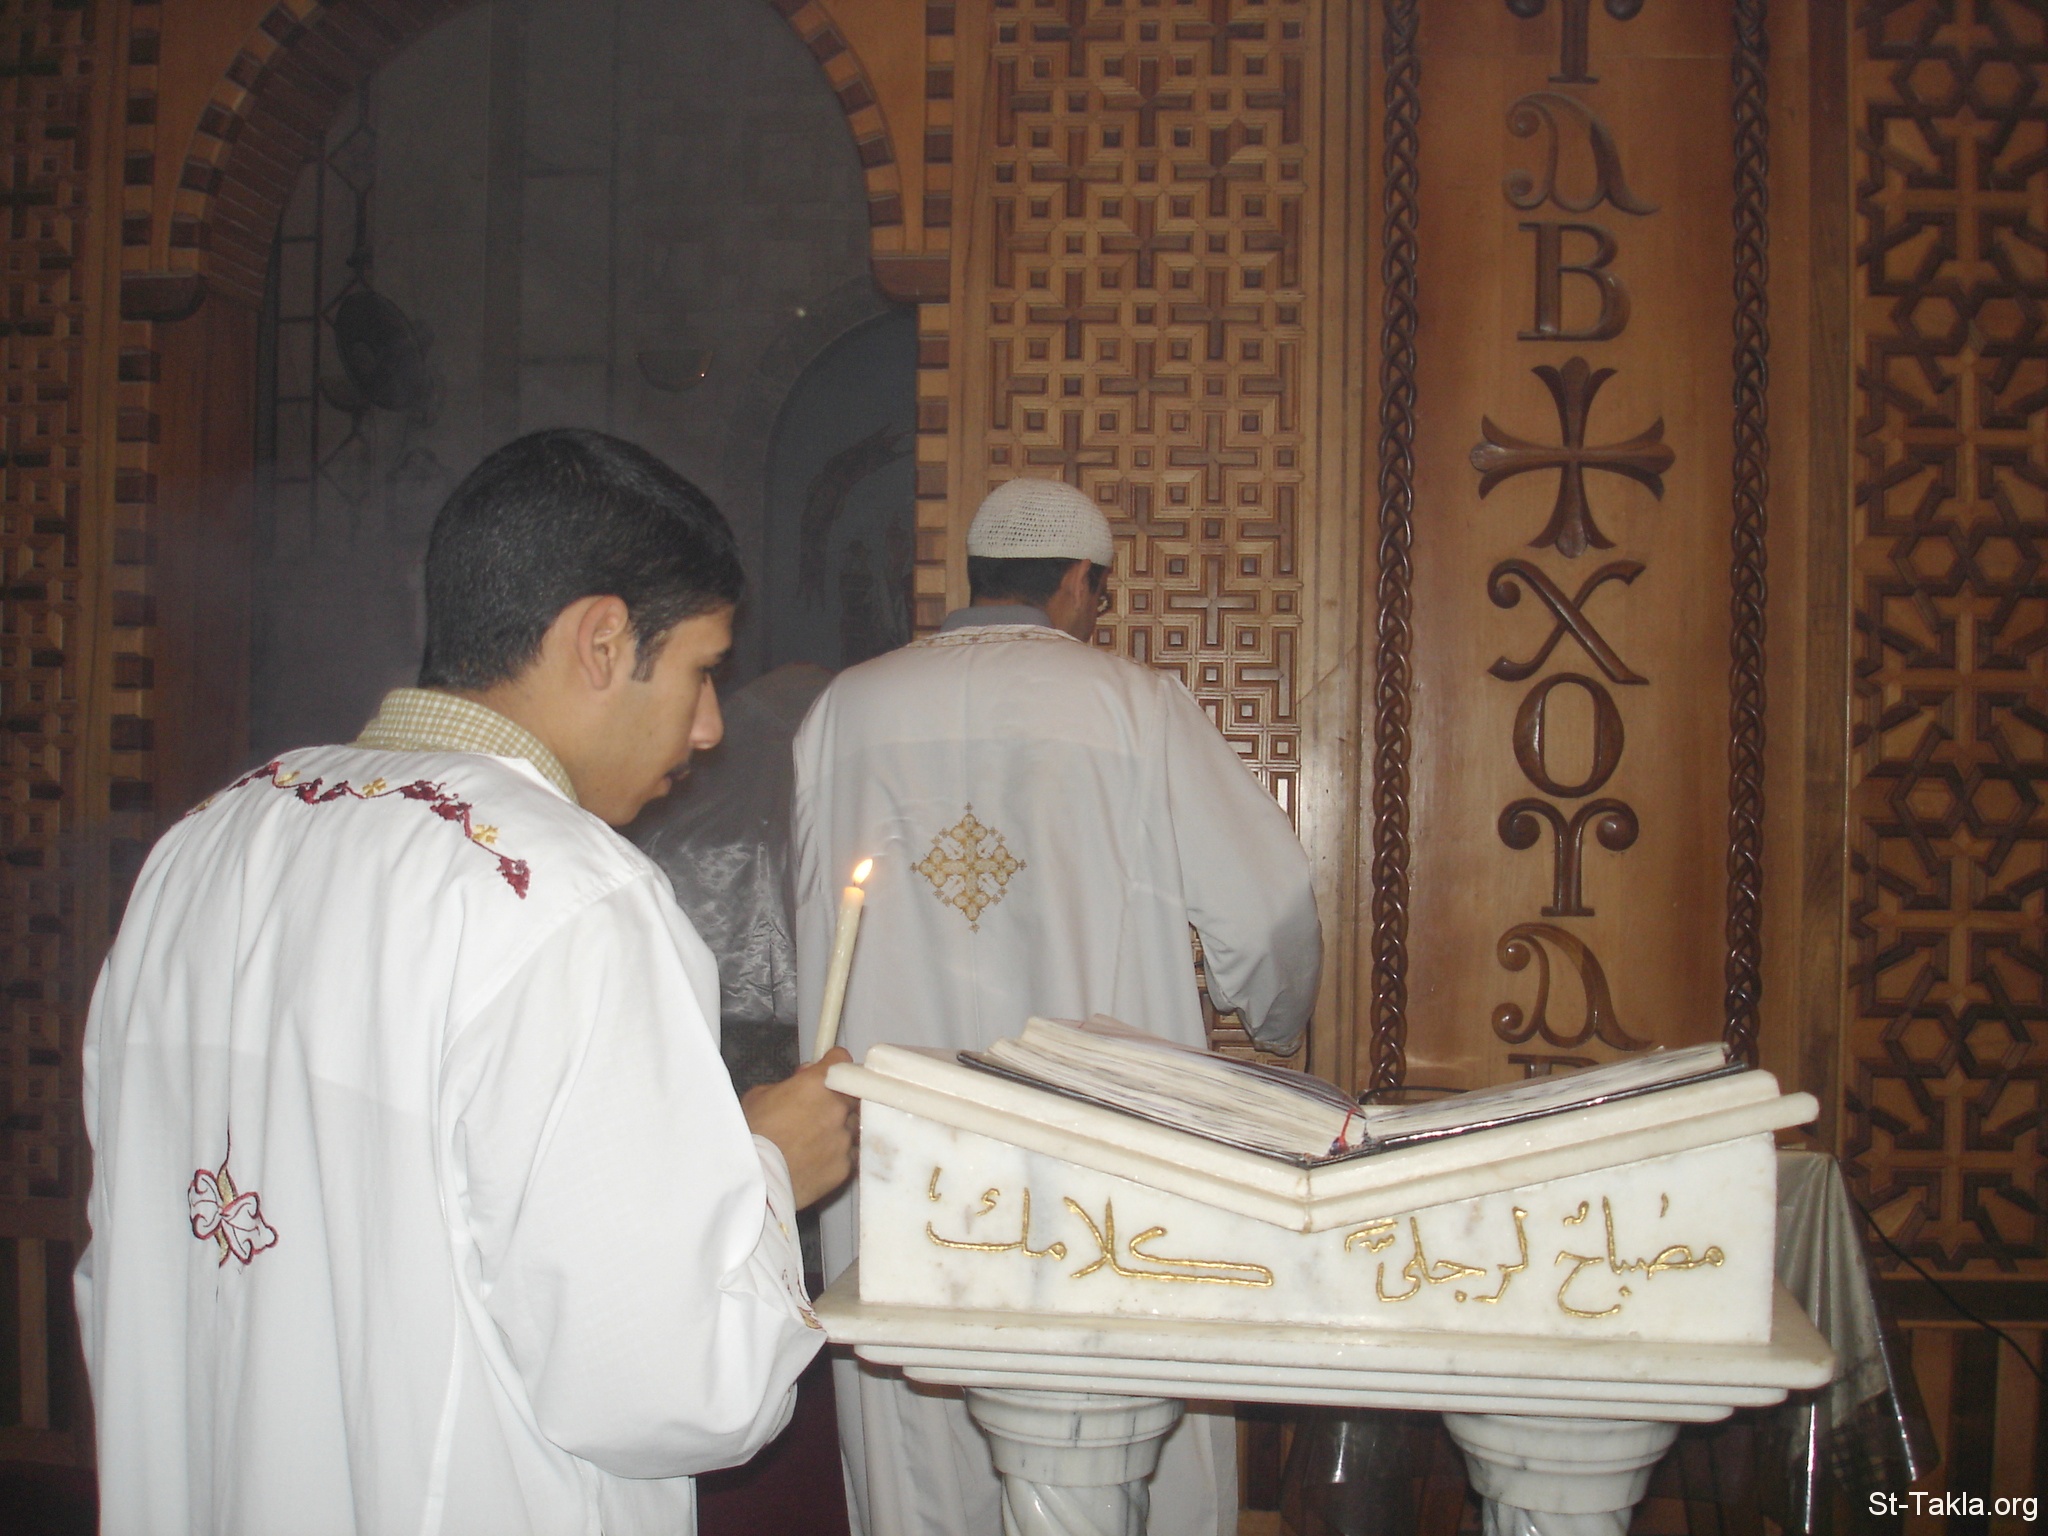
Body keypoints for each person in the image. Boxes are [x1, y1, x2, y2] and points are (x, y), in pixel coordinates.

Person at [78, 429, 856, 1536]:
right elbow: (669, 1382)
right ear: (601, 641)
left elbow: (136, 1258)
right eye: (701, 670)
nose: (709, 726)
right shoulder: (568, 894)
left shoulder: (205, 841)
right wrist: (768, 1169)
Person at [792, 475, 1324, 1536]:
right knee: (1113, 1413)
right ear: (1080, 582)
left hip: (905, 1146)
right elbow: (1266, 907)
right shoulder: (1133, 705)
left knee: (917, 1431)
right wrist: (1271, 1019)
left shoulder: (844, 709)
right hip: (1097, 1144)